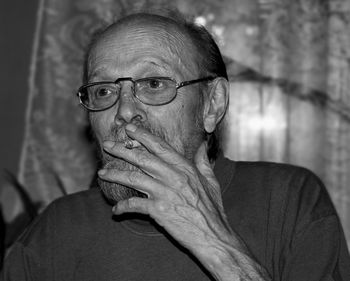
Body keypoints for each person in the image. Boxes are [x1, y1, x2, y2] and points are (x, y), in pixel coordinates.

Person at [1, 10, 350, 281]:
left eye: (154, 83)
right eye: (104, 90)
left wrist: (215, 243)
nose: (124, 112)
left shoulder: (288, 200)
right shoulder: (58, 228)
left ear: (211, 105)